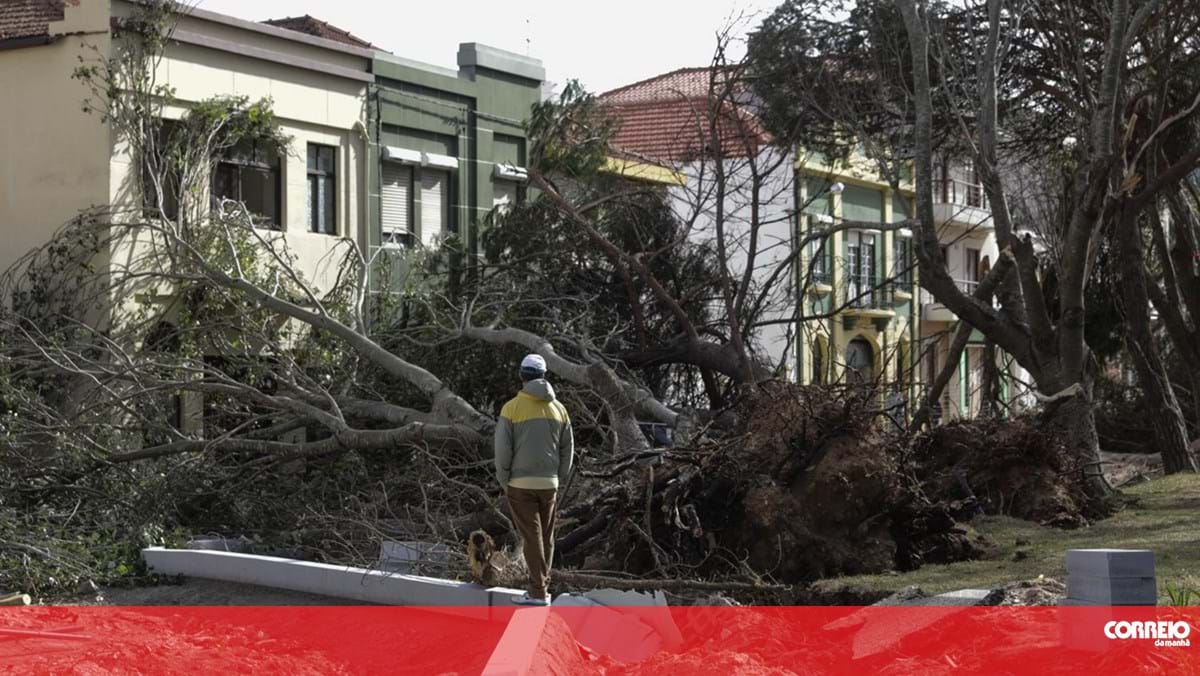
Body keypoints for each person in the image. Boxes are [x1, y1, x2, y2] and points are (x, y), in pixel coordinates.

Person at [494, 354, 574, 606]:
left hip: (520, 484)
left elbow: (503, 449)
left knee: (531, 536)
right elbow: (567, 447)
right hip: (549, 483)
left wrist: (503, 478)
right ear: (543, 376)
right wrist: (559, 476)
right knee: (546, 536)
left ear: (522, 376)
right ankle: (543, 588)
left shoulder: (511, 408)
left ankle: (538, 592)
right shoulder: (559, 409)